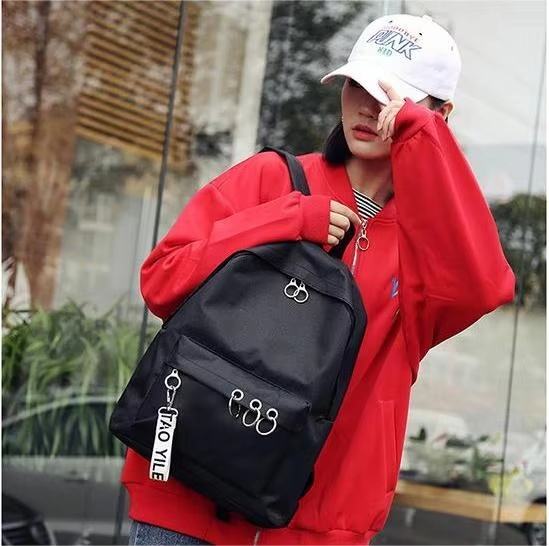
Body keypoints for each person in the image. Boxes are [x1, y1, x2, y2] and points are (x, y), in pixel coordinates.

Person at [122, 13, 516, 546]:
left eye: (391, 96)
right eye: (357, 85)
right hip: (189, 494)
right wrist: (284, 220)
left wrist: (420, 136)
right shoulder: (272, 179)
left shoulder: (423, 254)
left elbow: (488, 287)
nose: (368, 106)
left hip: (318, 527)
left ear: (438, 115)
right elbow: (162, 282)